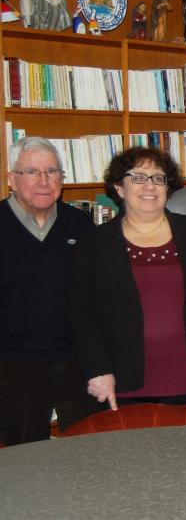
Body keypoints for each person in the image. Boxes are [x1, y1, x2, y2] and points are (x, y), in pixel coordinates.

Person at [70, 147, 186, 410]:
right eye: (138, 177)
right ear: (119, 187)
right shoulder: (93, 245)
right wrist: (98, 370)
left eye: (158, 178)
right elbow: (81, 314)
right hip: (122, 382)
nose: (149, 186)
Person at [0, 137, 94, 445]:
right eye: (32, 172)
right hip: (14, 365)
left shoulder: (79, 225)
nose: (44, 181)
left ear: (62, 179)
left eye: (52, 171)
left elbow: (95, 294)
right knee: (25, 456)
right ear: (12, 179)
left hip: (75, 362)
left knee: (86, 450)